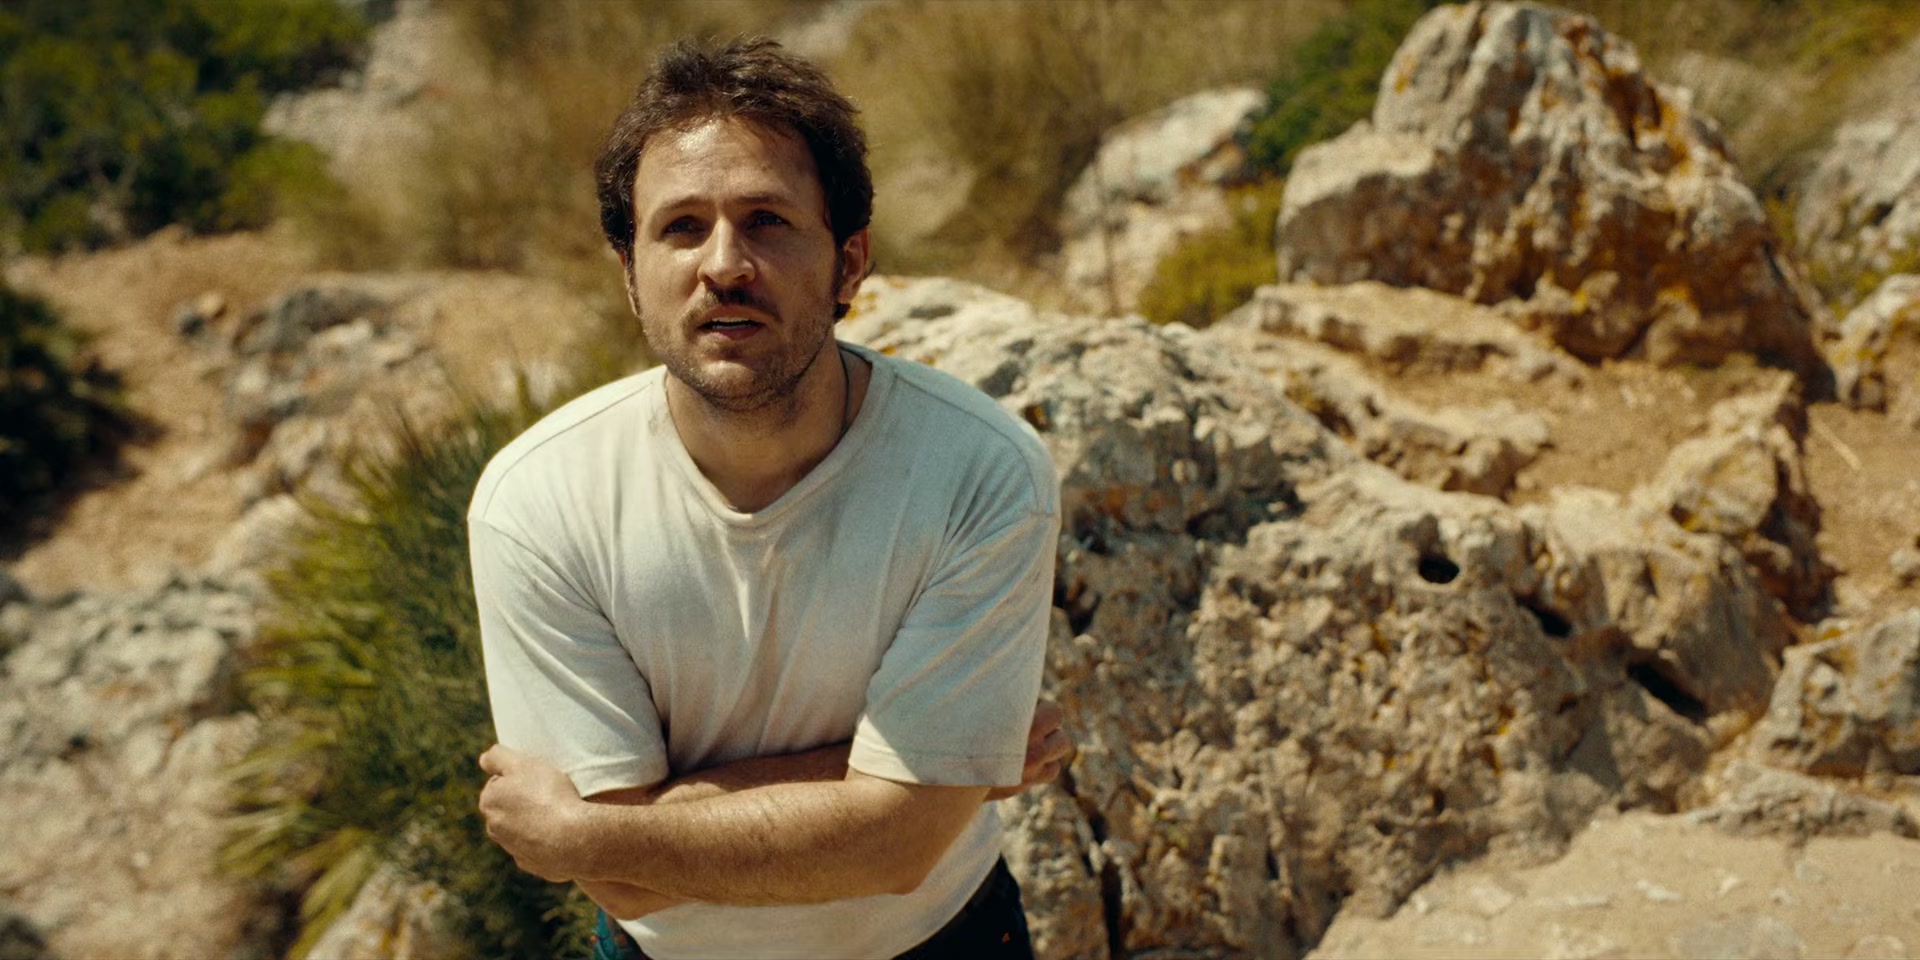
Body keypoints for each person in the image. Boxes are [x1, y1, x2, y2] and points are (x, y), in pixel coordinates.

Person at [467, 36, 1067, 960]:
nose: (725, 264)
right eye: (680, 227)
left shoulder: (978, 471)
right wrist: (914, 769)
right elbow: (623, 879)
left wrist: (591, 832)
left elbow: (900, 847)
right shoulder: (538, 503)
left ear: (849, 262)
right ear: (629, 275)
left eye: (767, 220)